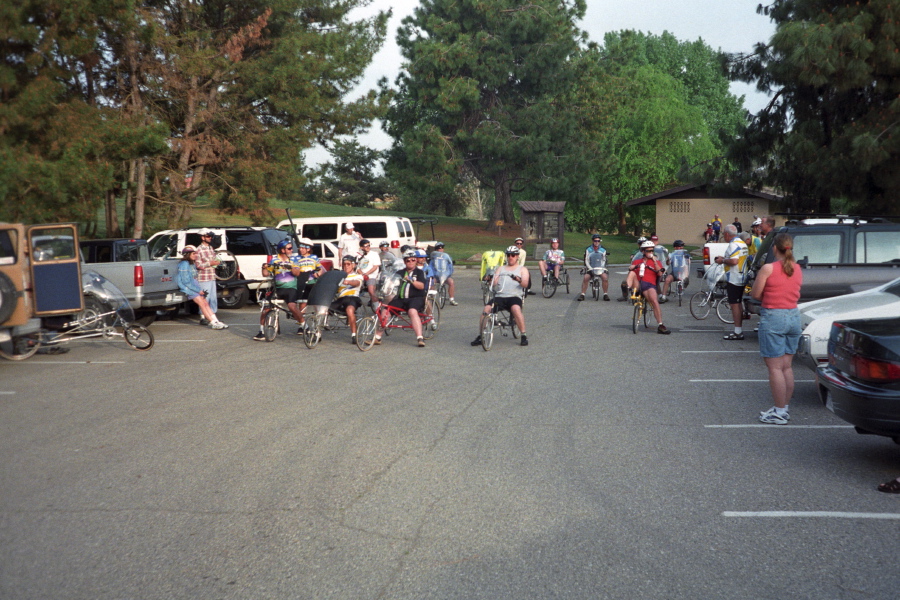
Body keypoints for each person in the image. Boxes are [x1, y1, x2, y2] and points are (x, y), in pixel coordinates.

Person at [750, 233, 802, 424]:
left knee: (774, 368)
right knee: (786, 366)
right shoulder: (796, 268)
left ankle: (779, 412)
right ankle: (783, 407)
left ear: (775, 248)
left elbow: (755, 293)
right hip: (793, 316)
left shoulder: (768, 268)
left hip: (774, 317)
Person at [471, 245, 530, 347]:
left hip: (514, 296)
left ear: (517, 257)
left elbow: (525, 284)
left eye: (513, 255)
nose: (510, 257)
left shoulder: (522, 269)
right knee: (486, 309)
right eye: (508, 255)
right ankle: (481, 335)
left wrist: (518, 280)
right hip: (500, 296)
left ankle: (523, 335)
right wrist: (489, 279)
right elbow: (494, 283)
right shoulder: (501, 268)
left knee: (516, 309)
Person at [253, 239, 305, 341]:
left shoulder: (293, 260)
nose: (291, 250)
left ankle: (304, 325)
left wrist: (290, 267)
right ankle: (261, 331)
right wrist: (264, 267)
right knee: (266, 308)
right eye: (289, 248)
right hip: (278, 289)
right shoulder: (274, 261)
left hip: (291, 288)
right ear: (282, 250)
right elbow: (265, 274)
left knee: (292, 306)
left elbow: (297, 273)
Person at [374, 249, 428, 347]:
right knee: (386, 310)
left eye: (413, 260)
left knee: (412, 311)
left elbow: (421, 286)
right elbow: (392, 283)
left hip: (416, 298)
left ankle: (420, 338)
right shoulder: (399, 272)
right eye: (408, 260)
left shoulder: (420, 272)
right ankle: (377, 337)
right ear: (404, 262)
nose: (411, 262)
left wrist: (411, 280)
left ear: (416, 260)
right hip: (401, 298)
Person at [176, 246, 227, 329]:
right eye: (193, 253)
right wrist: (198, 290)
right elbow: (186, 281)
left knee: (205, 303)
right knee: (202, 304)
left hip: (195, 285)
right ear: (187, 254)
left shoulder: (191, 263)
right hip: (188, 288)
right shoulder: (184, 264)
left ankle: (216, 320)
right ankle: (212, 322)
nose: (195, 255)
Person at [629, 240, 670, 334]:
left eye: (652, 251)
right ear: (643, 251)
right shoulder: (637, 261)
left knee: (654, 301)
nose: (650, 253)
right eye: (648, 251)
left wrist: (655, 261)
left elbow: (660, 273)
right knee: (629, 278)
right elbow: (631, 272)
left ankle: (660, 324)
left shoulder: (657, 262)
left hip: (649, 285)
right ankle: (631, 292)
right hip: (638, 284)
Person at [717, 224, 750, 340]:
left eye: (723, 235)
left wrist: (722, 260)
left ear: (726, 234)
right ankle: (738, 330)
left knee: (734, 305)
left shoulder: (733, 244)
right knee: (738, 303)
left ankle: (738, 331)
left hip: (734, 278)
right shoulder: (742, 243)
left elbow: (734, 261)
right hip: (742, 276)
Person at [331, 255, 364, 344]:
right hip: (341, 299)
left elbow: (356, 283)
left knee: (349, 310)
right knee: (323, 308)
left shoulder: (357, 276)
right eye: (344, 264)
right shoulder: (339, 276)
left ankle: (354, 335)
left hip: (352, 298)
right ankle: (317, 333)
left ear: (353, 265)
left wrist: (349, 282)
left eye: (348, 264)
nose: (346, 266)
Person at [295, 238, 323, 329]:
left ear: (308, 248)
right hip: (302, 282)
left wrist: (318, 273)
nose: (301, 249)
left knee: (315, 303)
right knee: (302, 304)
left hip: (312, 282)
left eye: (303, 248)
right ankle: (301, 325)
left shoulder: (314, 257)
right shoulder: (296, 258)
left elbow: (319, 268)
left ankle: (317, 322)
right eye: (300, 248)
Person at [194, 228, 220, 325]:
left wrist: (216, 263)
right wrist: (210, 263)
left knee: (213, 298)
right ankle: (203, 317)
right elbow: (198, 265)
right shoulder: (199, 250)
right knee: (205, 298)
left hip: (212, 276)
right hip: (203, 278)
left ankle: (213, 316)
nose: (210, 238)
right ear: (202, 237)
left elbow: (213, 261)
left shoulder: (211, 248)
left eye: (210, 236)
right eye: (208, 236)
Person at [578, 234, 609, 301]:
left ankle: (605, 294)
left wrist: (602, 267)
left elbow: (604, 260)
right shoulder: (588, 249)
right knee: (586, 278)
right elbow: (586, 260)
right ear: (593, 241)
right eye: (595, 241)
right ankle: (582, 294)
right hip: (591, 268)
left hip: (600, 268)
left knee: (605, 278)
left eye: (598, 241)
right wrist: (589, 268)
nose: (597, 242)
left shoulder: (603, 250)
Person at [618, 237, 648, 301]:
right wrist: (632, 257)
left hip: (646, 269)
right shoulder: (636, 251)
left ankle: (659, 295)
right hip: (637, 268)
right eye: (641, 244)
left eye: (644, 243)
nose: (642, 245)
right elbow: (633, 258)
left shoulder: (650, 251)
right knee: (624, 282)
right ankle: (625, 295)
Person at [356, 239, 381, 306]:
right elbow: (357, 268)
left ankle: (377, 308)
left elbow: (375, 266)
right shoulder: (359, 255)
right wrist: (362, 274)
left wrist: (366, 274)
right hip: (361, 276)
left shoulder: (374, 254)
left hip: (371, 276)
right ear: (361, 247)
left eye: (368, 245)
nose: (368, 247)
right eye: (365, 246)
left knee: (371, 291)